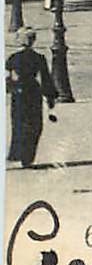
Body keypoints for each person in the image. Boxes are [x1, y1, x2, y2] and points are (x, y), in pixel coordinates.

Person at [7, 29, 58, 168]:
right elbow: (46, 78)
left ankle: (17, 153)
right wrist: (50, 96)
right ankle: (28, 157)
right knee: (34, 125)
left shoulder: (13, 58)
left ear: (19, 40)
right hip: (33, 92)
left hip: (19, 93)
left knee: (19, 124)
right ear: (33, 41)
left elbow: (8, 77)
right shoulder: (39, 57)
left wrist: (10, 88)